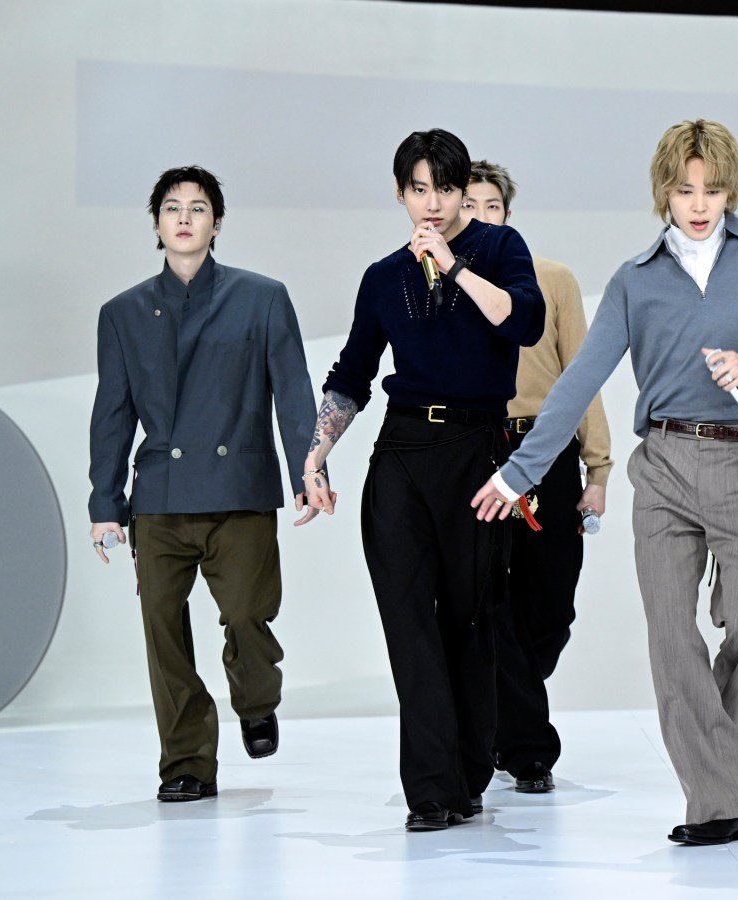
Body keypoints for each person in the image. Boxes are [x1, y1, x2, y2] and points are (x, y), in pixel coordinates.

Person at [470, 119, 738, 845]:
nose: (699, 204)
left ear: (729, 191)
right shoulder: (635, 279)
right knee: (671, 637)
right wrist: (519, 473)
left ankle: (720, 756)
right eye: (684, 189)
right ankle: (722, 802)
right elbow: (579, 381)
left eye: (713, 190)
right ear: (663, 192)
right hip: (665, 465)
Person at [301, 129, 545, 831]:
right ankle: (431, 789)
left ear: (463, 190)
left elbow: (525, 323)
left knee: (469, 617)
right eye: (418, 190)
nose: (431, 203)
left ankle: (468, 773)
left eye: (444, 188)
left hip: (476, 450)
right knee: (408, 622)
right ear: (400, 194)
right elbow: (352, 374)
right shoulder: (384, 276)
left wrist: (454, 266)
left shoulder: (500, 249)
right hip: (402, 451)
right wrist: (315, 456)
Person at [89, 165, 319, 802]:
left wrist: (309, 471)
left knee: (247, 615)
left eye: (198, 207)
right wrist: (106, 502)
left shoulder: (261, 297)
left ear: (217, 223)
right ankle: (187, 762)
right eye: (172, 207)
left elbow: (292, 391)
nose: (185, 217)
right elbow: (113, 414)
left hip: (239, 490)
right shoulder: (123, 313)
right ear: (157, 223)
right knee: (163, 632)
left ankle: (257, 699)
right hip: (160, 496)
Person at [462, 160, 612, 794]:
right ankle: (528, 751)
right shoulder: (439, 284)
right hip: (475, 451)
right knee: (488, 603)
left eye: (490, 207)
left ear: (508, 215)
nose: (479, 218)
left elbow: (583, 373)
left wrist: (598, 468)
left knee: (550, 607)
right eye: (466, 207)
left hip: (545, 452)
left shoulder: (552, 280)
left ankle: (508, 709)